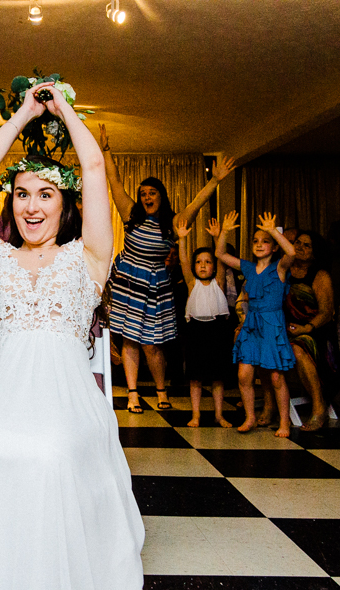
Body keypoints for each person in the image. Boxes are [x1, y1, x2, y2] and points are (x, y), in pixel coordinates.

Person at [0, 82, 145, 590]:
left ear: (66, 204)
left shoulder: (88, 257)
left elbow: (94, 167)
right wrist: (21, 114)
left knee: (51, 451)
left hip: (65, 400)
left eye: (46, 194)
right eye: (22, 193)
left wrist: (62, 110)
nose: (32, 206)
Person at [100, 123, 235, 412]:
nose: (146, 197)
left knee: (152, 344)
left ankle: (161, 392)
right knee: (129, 340)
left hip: (155, 285)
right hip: (127, 280)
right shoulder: (130, 214)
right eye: (143, 193)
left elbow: (196, 204)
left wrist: (215, 180)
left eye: (152, 193)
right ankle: (133, 394)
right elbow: (115, 181)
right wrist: (107, 151)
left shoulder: (173, 222)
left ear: (161, 195)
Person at [216, 211, 297, 436]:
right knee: (244, 375)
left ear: (274, 247)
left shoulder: (279, 267)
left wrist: (273, 231)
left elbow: (291, 252)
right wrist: (224, 232)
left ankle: (284, 421)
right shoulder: (249, 268)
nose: (259, 244)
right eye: (255, 241)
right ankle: (250, 416)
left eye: (265, 241)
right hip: (252, 324)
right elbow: (220, 253)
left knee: (276, 377)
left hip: (272, 325)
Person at [282, 231, 340, 431]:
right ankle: (270, 405)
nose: (299, 247)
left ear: (315, 253)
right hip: (286, 327)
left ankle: (319, 407)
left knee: (298, 348)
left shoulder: (320, 275)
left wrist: (305, 328)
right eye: (297, 243)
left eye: (306, 245)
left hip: (315, 331)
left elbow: (326, 313)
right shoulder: (284, 269)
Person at [176, 217, 232, 428]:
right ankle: (196, 414)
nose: (203, 265)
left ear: (214, 267)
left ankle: (219, 414)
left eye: (207, 262)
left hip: (217, 331)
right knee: (196, 377)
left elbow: (221, 257)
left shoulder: (219, 281)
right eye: (199, 261)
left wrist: (218, 237)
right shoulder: (192, 284)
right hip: (196, 332)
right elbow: (183, 260)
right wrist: (182, 239)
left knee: (218, 377)